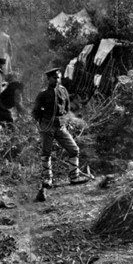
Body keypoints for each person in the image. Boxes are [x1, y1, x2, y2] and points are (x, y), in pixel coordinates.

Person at [32, 68, 90, 202]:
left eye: (58, 77)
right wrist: (41, 126)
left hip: (61, 127)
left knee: (74, 149)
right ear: (49, 79)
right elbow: (35, 112)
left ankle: (74, 177)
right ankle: (48, 179)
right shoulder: (43, 94)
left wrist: (65, 121)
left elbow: (67, 108)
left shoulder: (63, 91)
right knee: (46, 153)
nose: (57, 80)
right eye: (54, 78)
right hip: (47, 127)